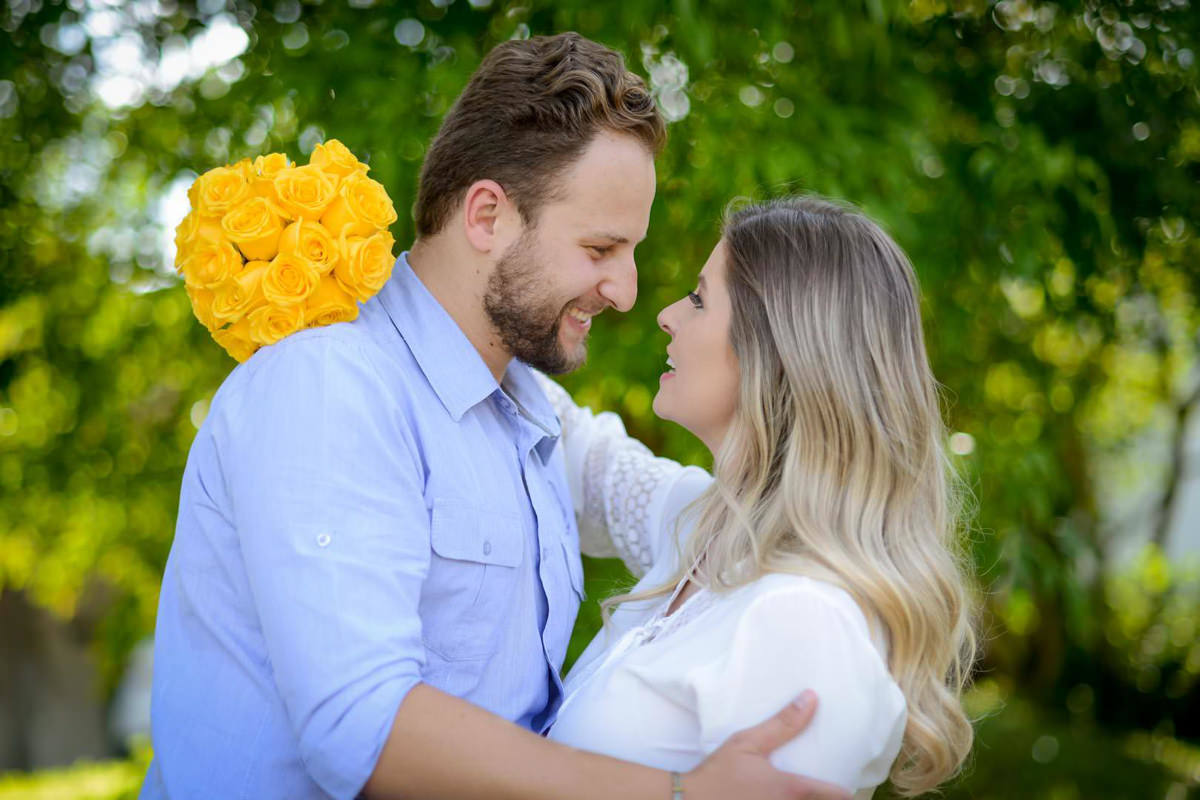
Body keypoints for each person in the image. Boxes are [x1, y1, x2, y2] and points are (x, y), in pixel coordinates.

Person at [141, 33, 849, 800]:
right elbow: (362, 726)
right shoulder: (330, 386)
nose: (627, 292)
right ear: (487, 216)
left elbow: (694, 518)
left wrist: (842, 536)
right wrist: (675, 795)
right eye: (601, 247)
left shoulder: (529, 408)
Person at [540, 196, 978, 798]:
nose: (667, 314)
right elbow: (583, 456)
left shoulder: (805, 623)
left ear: (772, 347)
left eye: (698, 299)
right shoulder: (708, 528)